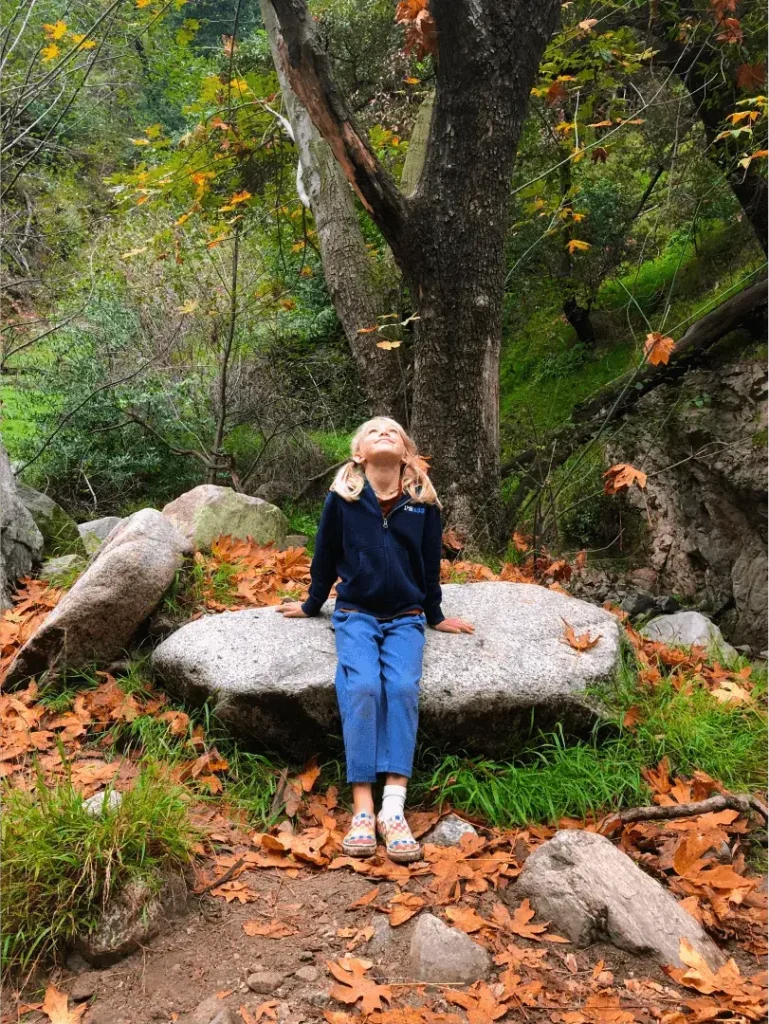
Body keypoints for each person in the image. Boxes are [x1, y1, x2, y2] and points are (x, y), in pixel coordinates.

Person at [277, 417, 474, 863]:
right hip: (355, 614)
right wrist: (311, 604)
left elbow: (429, 566)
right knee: (362, 685)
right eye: (373, 431)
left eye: (393, 430)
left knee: (402, 687)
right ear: (359, 453)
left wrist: (435, 615)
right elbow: (325, 555)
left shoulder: (422, 503)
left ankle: (393, 809)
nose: (384, 432)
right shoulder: (342, 499)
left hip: (405, 615)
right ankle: (363, 807)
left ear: (406, 452)